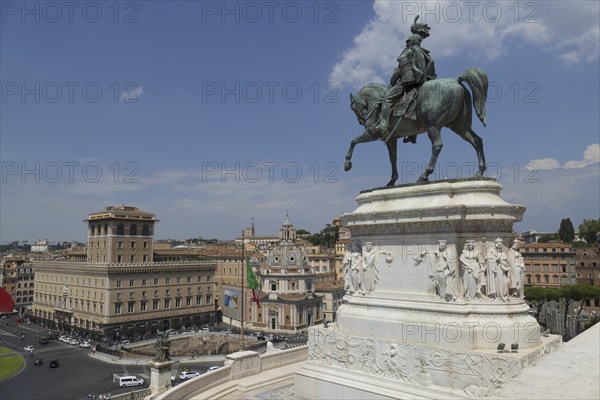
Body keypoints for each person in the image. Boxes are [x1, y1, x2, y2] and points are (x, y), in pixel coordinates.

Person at [375, 15, 437, 142]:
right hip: (422, 81)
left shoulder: (407, 52)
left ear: (410, 41)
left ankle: (383, 125)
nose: (406, 43)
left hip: (409, 81)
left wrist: (393, 79)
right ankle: (412, 134)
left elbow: (400, 70)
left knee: (386, 99)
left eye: (407, 41)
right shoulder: (424, 52)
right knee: (414, 104)